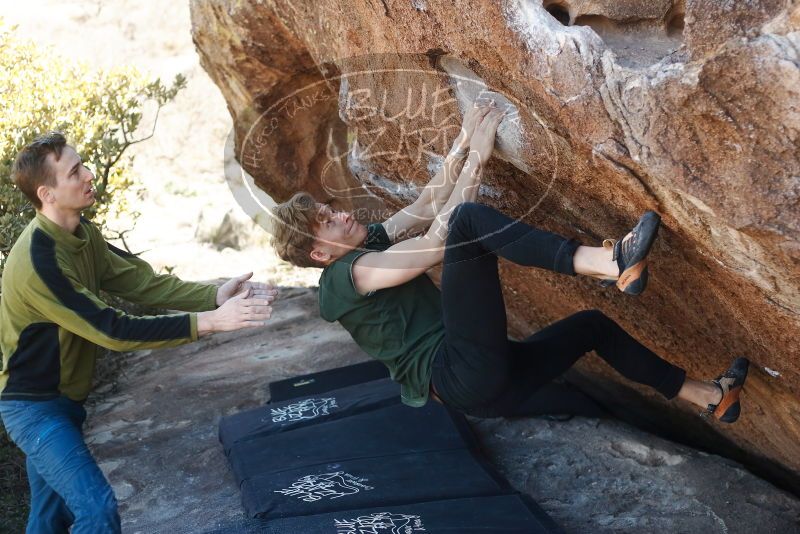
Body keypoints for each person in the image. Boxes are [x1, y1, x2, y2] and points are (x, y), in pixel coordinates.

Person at [270, 100, 749, 423]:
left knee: (591, 328)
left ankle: (711, 397)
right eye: (327, 220)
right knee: (468, 223)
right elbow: (438, 242)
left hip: (487, 386)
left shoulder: (365, 245)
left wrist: (463, 143)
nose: (339, 213)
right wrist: (478, 161)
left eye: (329, 208)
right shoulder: (346, 276)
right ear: (319, 252)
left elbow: (421, 209)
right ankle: (612, 264)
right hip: (458, 373)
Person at [0, 132, 276, 533]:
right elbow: (113, 329)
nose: (90, 174)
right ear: (48, 194)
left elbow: (141, 283)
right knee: (97, 511)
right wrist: (212, 322)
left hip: (66, 403)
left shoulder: (83, 234)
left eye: (84, 164)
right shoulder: (39, 261)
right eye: (76, 171)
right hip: (34, 409)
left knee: (47, 519)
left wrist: (213, 295)